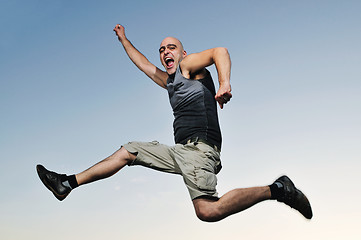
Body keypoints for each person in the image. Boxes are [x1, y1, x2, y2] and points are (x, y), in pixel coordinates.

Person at [36, 24, 313, 222]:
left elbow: (220, 51)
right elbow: (143, 64)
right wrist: (123, 40)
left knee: (207, 211)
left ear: (182, 53)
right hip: (179, 151)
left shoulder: (188, 66)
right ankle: (67, 184)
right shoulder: (169, 81)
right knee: (128, 150)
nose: (165, 52)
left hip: (200, 151)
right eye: (161, 49)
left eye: (171, 47)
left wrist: (225, 82)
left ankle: (279, 189)